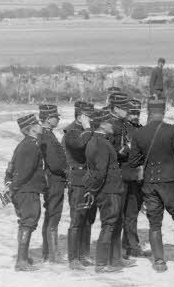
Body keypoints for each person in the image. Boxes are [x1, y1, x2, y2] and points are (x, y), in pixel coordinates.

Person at [131, 98, 174, 272]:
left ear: (148, 112)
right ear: (163, 112)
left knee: (155, 224)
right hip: (171, 180)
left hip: (150, 182)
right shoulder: (171, 130)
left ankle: (159, 262)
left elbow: (134, 161)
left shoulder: (139, 133)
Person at [84, 110, 130, 273]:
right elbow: (100, 171)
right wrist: (93, 190)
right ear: (103, 125)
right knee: (109, 225)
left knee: (113, 224)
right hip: (109, 190)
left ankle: (114, 261)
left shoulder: (96, 140)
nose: (113, 125)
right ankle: (101, 264)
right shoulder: (101, 143)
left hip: (108, 189)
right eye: (110, 122)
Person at [4, 114, 45, 271]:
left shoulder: (24, 144)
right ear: (32, 128)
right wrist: (13, 187)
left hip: (22, 190)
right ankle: (21, 261)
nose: (40, 125)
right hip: (27, 190)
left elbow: (11, 166)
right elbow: (25, 172)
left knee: (25, 222)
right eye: (38, 123)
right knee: (28, 222)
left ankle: (23, 257)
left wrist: (9, 184)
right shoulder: (31, 146)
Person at [63, 101, 97, 270]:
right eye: (89, 116)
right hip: (77, 180)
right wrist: (88, 128)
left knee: (88, 219)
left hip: (89, 179)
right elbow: (79, 144)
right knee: (77, 219)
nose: (92, 120)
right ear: (81, 116)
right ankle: (73, 258)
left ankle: (84, 254)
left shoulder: (87, 130)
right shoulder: (71, 131)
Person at [37, 103, 70, 263]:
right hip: (54, 180)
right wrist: (67, 172)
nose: (58, 119)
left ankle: (47, 252)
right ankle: (53, 255)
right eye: (55, 117)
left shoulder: (44, 134)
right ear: (48, 119)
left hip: (49, 179)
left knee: (49, 214)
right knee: (53, 215)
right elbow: (55, 164)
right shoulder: (47, 136)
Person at [116, 96, 146, 260]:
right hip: (122, 175)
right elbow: (116, 153)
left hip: (137, 176)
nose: (135, 116)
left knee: (132, 213)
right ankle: (118, 249)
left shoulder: (142, 129)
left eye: (138, 113)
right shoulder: (120, 128)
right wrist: (128, 147)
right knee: (119, 213)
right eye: (132, 113)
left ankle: (131, 246)